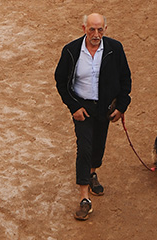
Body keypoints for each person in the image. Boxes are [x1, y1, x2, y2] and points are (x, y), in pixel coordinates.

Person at [54, 12, 132, 222]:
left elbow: (125, 79)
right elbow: (61, 82)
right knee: (85, 148)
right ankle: (84, 198)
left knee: (98, 147)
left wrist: (122, 106)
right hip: (83, 108)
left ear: (105, 29)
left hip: (105, 108)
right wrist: (74, 107)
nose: (96, 34)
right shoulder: (71, 51)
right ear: (83, 29)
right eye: (91, 29)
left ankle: (92, 172)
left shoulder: (115, 49)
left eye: (99, 29)